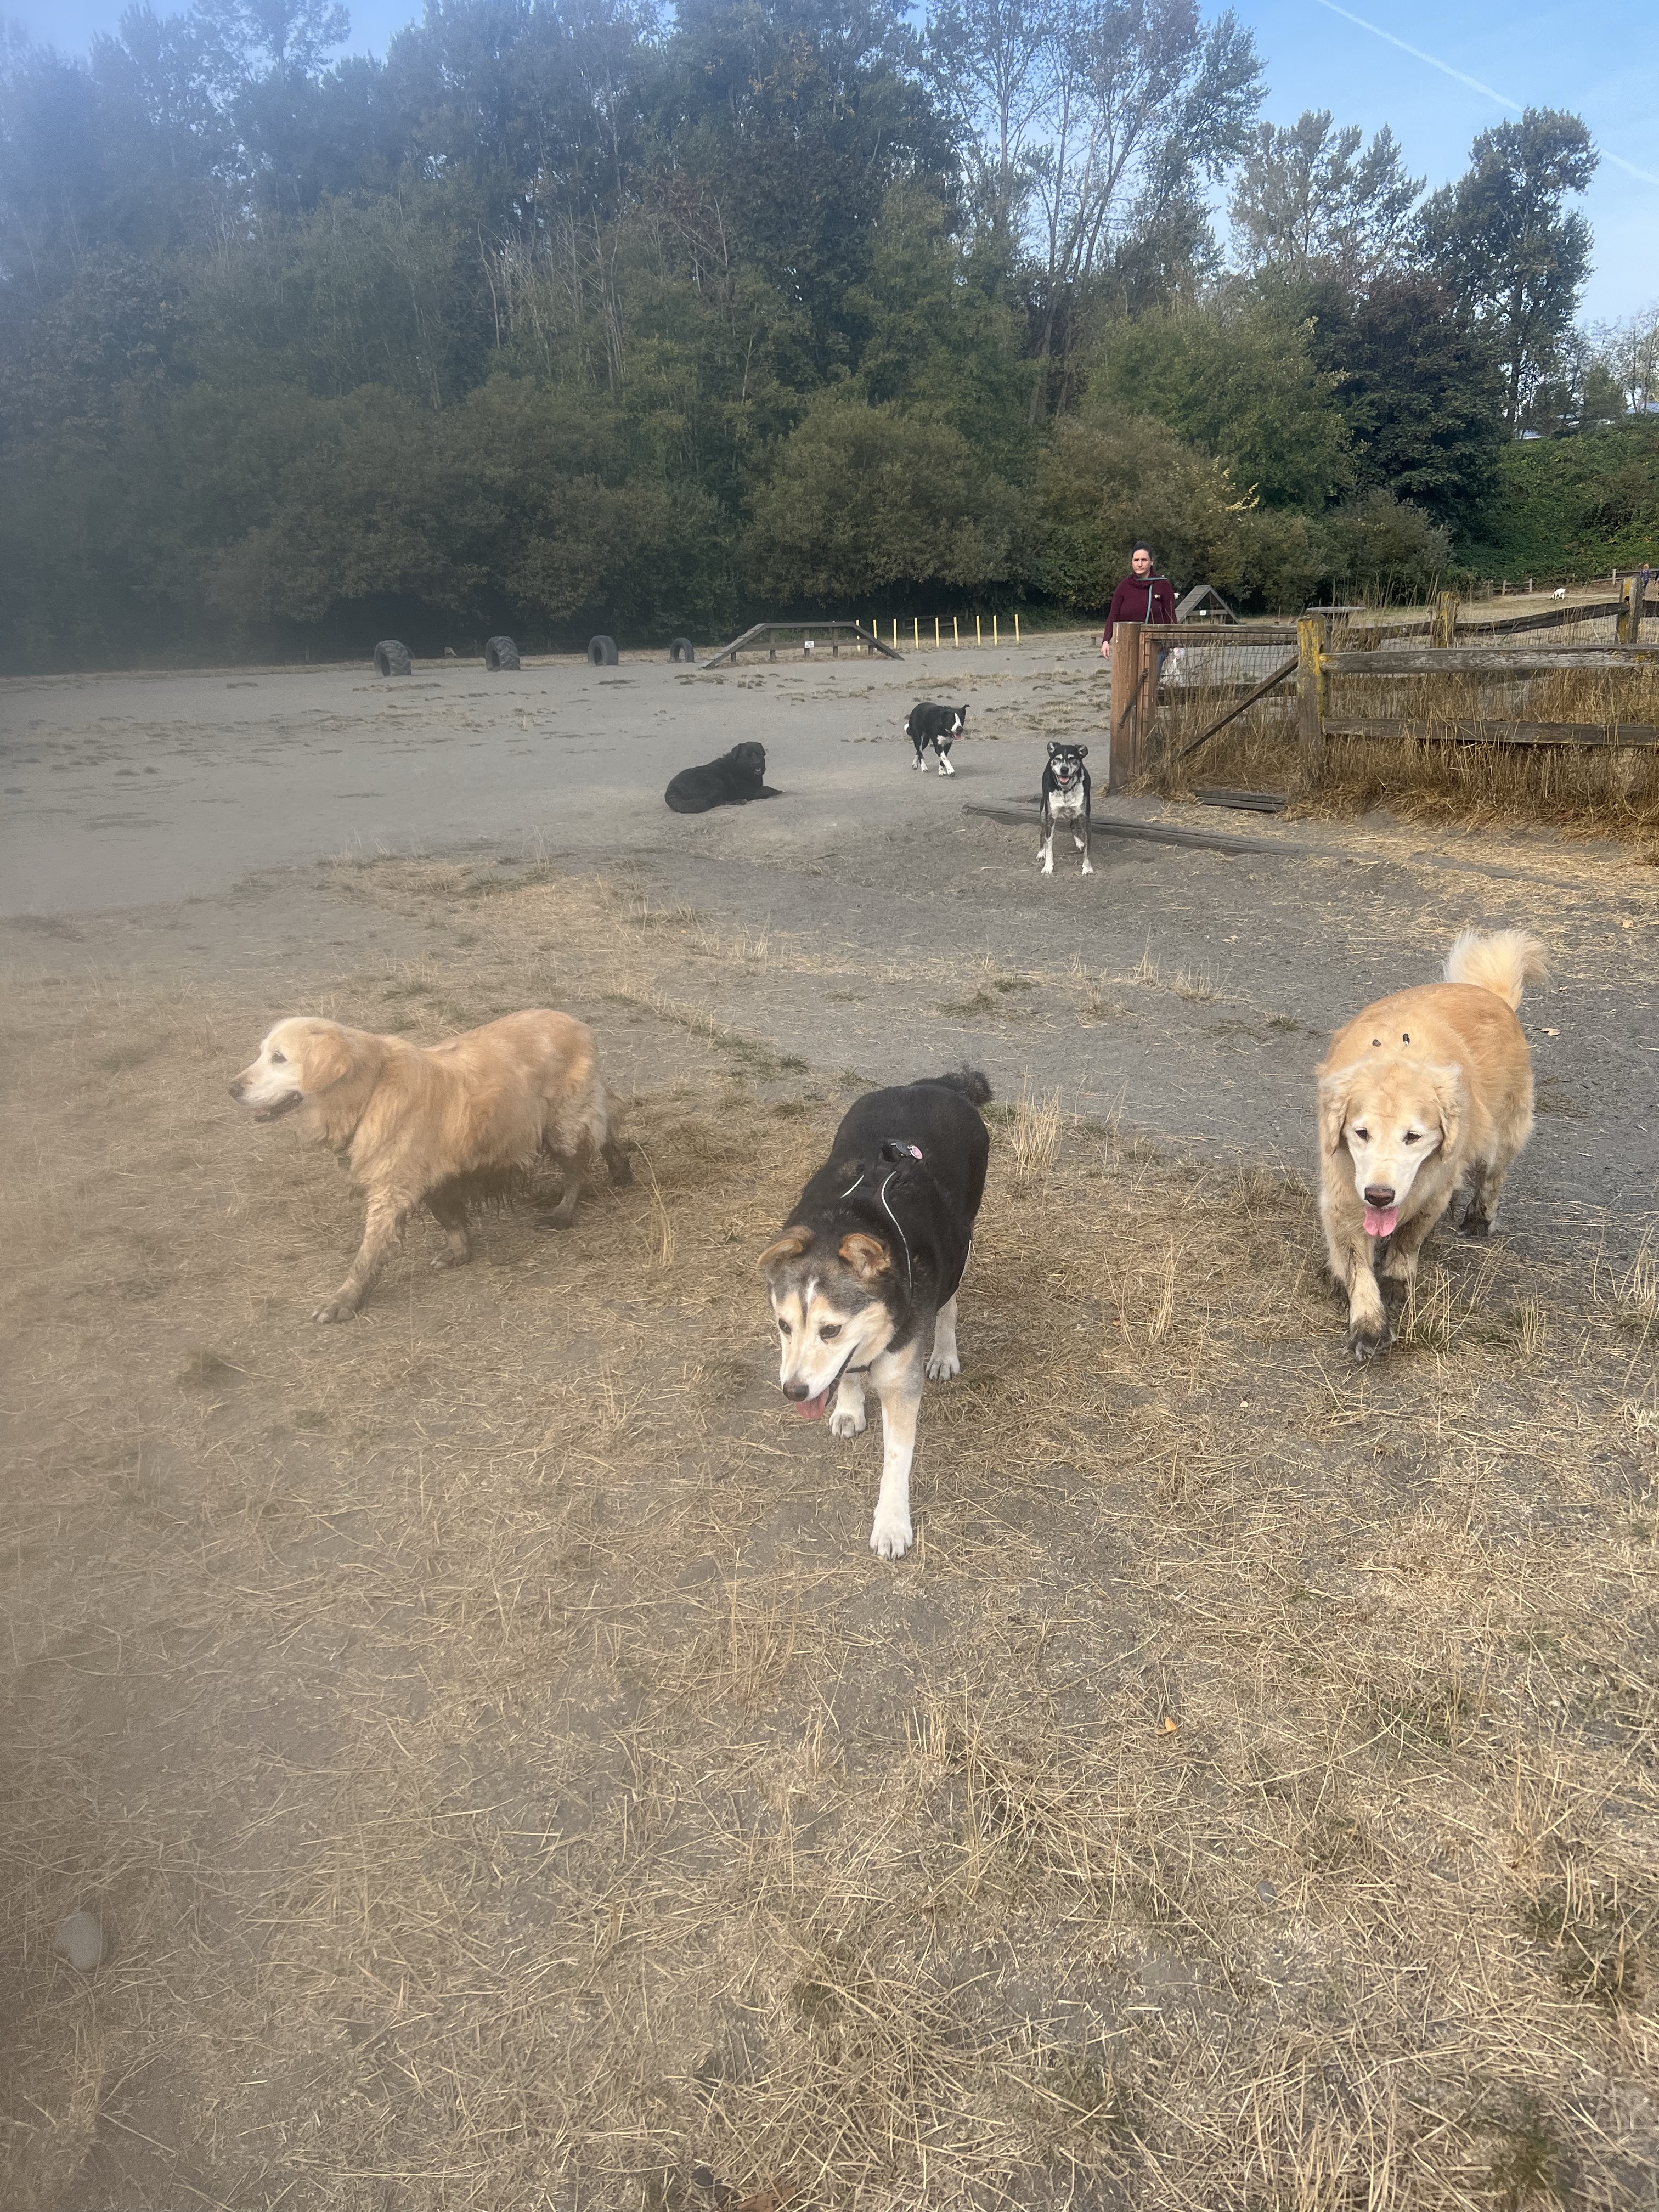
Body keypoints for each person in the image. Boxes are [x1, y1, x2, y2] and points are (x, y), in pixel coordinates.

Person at [1099, 543, 1176, 659]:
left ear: (1152, 562)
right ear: (1132, 562)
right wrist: (1106, 641)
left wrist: (1176, 645)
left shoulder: (1162, 585)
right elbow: (1113, 615)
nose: (1140, 564)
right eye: (1136, 560)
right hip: (1128, 646)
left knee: (1150, 677)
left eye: (1144, 560)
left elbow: (1170, 616)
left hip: (1156, 646)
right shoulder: (1124, 586)